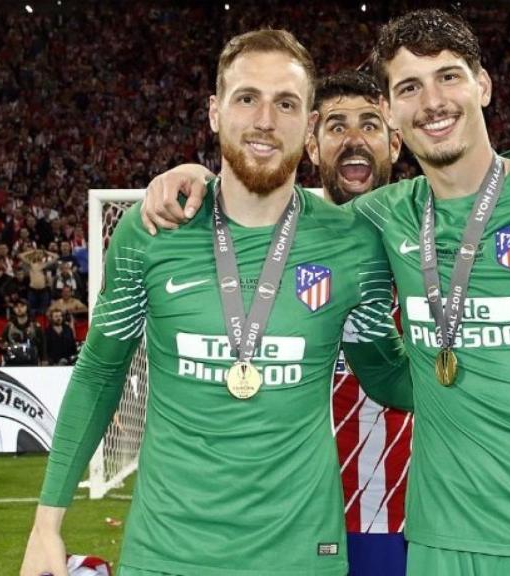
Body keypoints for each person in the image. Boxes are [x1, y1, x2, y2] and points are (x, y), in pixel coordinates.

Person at [144, 10, 510, 575]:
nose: (432, 102)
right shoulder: (387, 217)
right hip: (440, 544)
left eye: (448, 77)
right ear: (391, 109)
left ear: (483, 85)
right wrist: (199, 177)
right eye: (409, 87)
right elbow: (273, 212)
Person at [21, 29, 411, 576]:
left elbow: (388, 376)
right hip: (167, 553)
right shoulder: (151, 229)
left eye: (286, 104)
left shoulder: (352, 244)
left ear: (309, 125)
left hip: (302, 556)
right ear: (214, 111)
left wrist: (495, 345)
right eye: (246, 98)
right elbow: (98, 374)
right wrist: (46, 526)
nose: (265, 121)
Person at [142, 70, 409, 575]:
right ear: (310, 144)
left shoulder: (432, 234)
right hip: (297, 519)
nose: (354, 140)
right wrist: (192, 176)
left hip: (419, 510)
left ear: (396, 142)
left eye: (370, 125)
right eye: (335, 127)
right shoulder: (271, 239)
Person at [1, 298, 43, 366]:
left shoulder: (35, 325)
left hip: (31, 361)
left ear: (27, 307)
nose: (19, 309)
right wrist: (3, 345)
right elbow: (1, 341)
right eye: (16, 306)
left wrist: (44, 359)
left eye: (22, 306)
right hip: (12, 362)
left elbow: (42, 344)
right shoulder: (9, 326)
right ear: (14, 309)